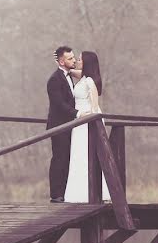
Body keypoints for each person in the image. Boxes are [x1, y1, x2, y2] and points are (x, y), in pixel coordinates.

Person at [64, 51, 111, 202]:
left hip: (87, 123)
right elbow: (74, 72)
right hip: (79, 124)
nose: (77, 61)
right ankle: (78, 193)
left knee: (87, 156)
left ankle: (91, 193)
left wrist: (84, 116)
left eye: (80, 59)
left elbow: (95, 108)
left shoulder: (90, 81)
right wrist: (64, 67)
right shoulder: (83, 77)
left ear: (87, 62)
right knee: (78, 156)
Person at [46, 45, 83, 202]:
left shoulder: (68, 76)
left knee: (68, 158)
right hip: (59, 126)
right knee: (59, 159)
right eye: (70, 58)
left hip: (69, 126)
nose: (73, 60)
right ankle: (56, 195)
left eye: (74, 57)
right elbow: (59, 104)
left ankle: (66, 192)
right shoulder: (54, 80)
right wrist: (78, 114)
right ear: (61, 62)